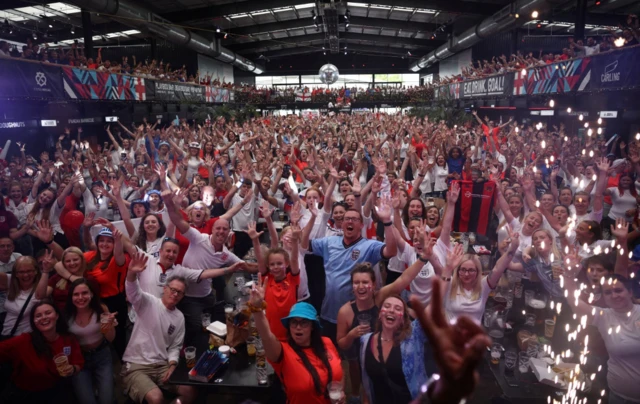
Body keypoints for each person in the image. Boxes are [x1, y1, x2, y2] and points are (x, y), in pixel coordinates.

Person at [301, 197, 397, 342]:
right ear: (342, 223)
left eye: (354, 219)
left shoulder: (369, 246)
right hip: (329, 312)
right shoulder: (329, 242)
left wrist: (387, 222)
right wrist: (313, 218)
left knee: (355, 359)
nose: (350, 221)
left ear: (361, 225)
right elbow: (303, 245)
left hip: (358, 316)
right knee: (329, 356)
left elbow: (391, 251)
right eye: (347, 219)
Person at [249, 276, 345, 404]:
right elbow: (266, 335)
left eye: (304, 322)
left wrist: (341, 392)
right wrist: (257, 310)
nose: (298, 327)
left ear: (312, 327)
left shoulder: (327, 342)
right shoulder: (283, 353)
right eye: (293, 322)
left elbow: (339, 372)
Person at [563, 250, 639, 404]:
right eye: (608, 293)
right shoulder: (604, 316)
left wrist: (622, 242)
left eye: (618, 290)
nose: (614, 295)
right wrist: (568, 275)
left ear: (630, 292)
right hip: (617, 396)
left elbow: (621, 269)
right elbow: (575, 303)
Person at [121, 252, 197, 404]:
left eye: (179, 293)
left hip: (162, 364)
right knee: (156, 398)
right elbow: (132, 292)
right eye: (172, 289)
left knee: (190, 391)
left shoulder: (179, 317)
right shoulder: (148, 302)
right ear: (165, 288)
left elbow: (175, 346)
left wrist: (173, 364)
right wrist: (131, 274)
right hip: (137, 364)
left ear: (182, 296)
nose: (175, 294)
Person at [0, 300, 84, 403]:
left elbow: (78, 363)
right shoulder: (24, 341)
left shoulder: (68, 339)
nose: (44, 317)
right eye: (38, 315)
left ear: (57, 316)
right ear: (34, 321)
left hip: (56, 391)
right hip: (26, 395)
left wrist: (72, 369)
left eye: (48, 313)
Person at [66, 279, 116, 404]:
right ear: (71, 297)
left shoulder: (101, 308)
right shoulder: (66, 314)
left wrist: (109, 325)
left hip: (101, 355)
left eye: (85, 293)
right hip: (80, 360)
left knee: (107, 400)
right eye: (76, 294)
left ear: (92, 294)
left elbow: (110, 339)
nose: (80, 297)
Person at [0, 255, 51, 338]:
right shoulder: (11, 282)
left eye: (29, 271)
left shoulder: (40, 287)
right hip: (6, 334)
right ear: (16, 274)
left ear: (36, 271)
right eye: (21, 272)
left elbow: (40, 295)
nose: (26, 275)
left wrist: (45, 271)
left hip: (26, 338)